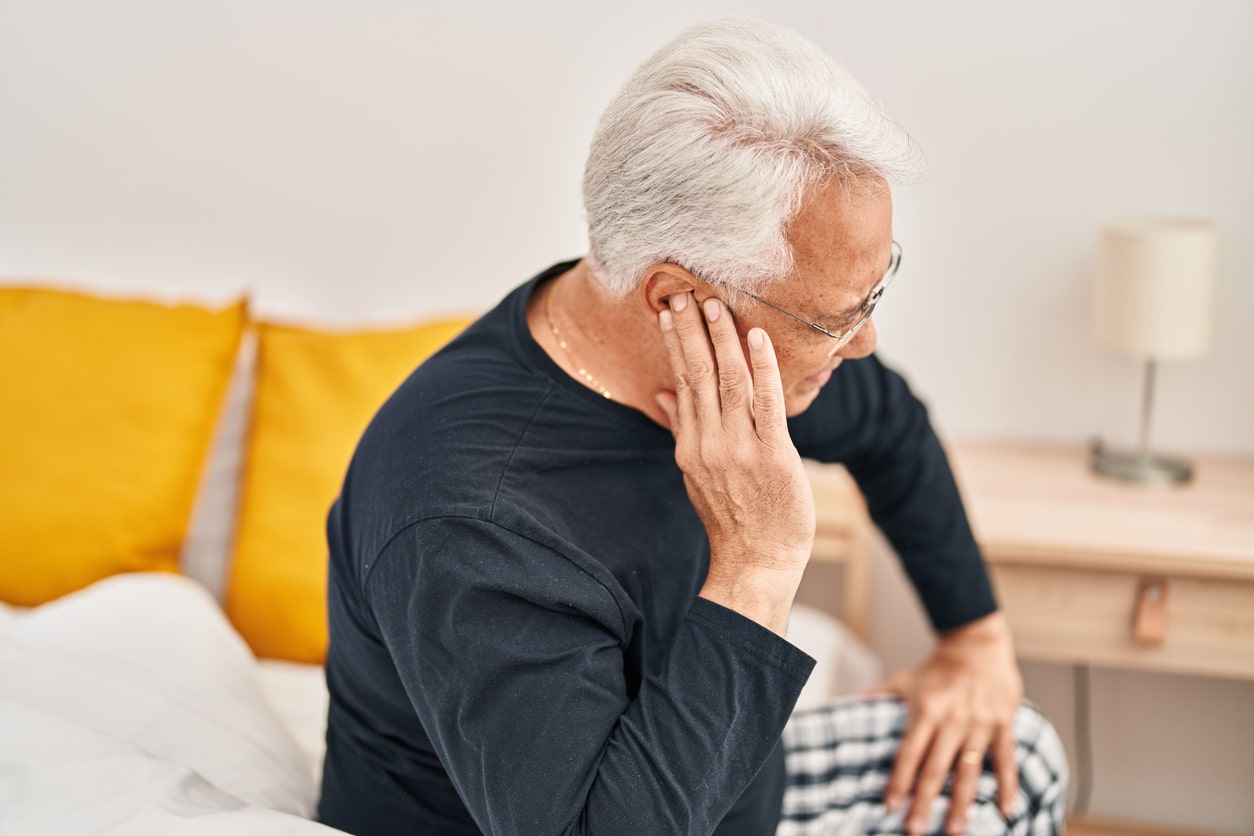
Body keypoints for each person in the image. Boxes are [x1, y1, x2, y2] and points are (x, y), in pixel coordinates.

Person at [316, 18, 1067, 836]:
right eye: (832, 320)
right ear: (677, 298)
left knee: (1016, 758)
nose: (864, 344)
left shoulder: (730, 369)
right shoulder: (473, 518)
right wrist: (758, 565)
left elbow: (888, 423)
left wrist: (976, 641)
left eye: (874, 294)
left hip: (717, 784)